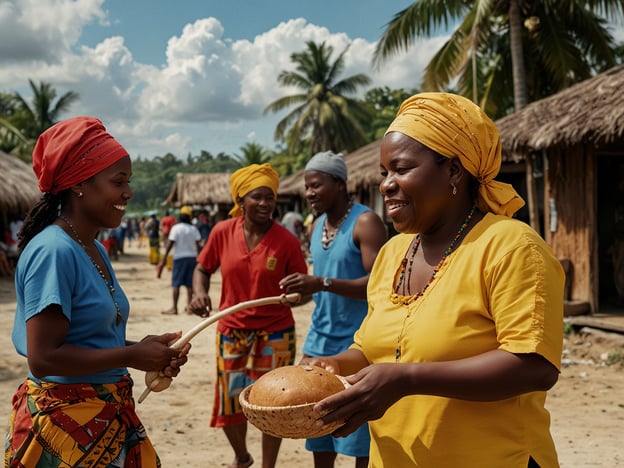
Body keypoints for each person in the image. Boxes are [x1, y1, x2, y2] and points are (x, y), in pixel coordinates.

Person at [300, 93, 565, 467]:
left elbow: (534, 365)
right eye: (383, 174)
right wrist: (336, 366)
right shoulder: (393, 254)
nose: (386, 185)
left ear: (454, 171)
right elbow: (371, 348)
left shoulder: (510, 247)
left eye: (401, 169)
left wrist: (407, 379)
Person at [5, 116, 191, 467]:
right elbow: (43, 358)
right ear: (79, 185)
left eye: (129, 181)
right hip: (65, 429)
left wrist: (144, 349)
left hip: (102, 415)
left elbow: (87, 338)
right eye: (118, 182)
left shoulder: (93, 247)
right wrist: (130, 357)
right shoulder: (55, 251)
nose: (128, 193)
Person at [187, 163, 308, 468]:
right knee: (230, 401)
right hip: (232, 329)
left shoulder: (287, 241)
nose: (266, 204)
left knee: (273, 405)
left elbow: (304, 289)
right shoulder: (221, 232)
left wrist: (297, 296)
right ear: (240, 202)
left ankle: (268, 466)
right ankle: (242, 457)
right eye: (257, 197)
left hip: (276, 331)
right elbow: (202, 268)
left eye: (270, 197)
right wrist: (199, 292)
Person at [279, 151, 387, 468]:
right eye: (307, 187)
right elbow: (322, 289)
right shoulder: (316, 228)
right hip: (318, 339)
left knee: (357, 430)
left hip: (356, 341)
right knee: (316, 421)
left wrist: (321, 282)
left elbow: (376, 283)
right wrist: (299, 295)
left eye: (316, 185)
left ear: (339, 184)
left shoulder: (365, 222)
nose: (309, 193)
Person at [157, 205, 201, 315]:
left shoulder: (176, 228)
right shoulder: (193, 229)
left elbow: (170, 244)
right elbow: (198, 244)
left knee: (176, 284)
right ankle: (189, 307)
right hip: (192, 258)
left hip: (179, 258)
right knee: (189, 284)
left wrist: (164, 259)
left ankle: (174, 308)